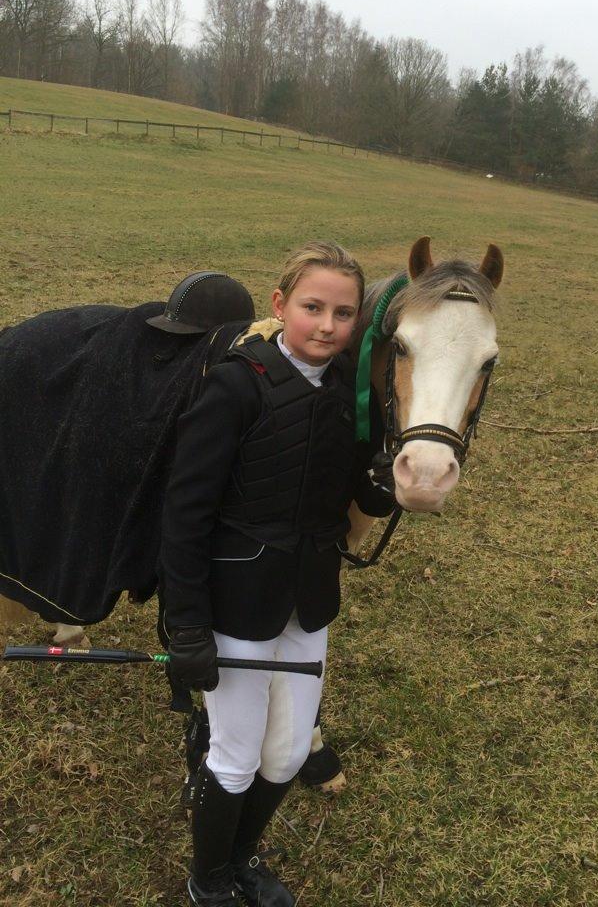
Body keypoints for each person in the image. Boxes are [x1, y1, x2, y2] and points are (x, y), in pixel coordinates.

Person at [160, 242, 395, 907]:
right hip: (234, 603)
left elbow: (363, 499)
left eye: (343, 313)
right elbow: (184, 517)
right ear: (279, 305)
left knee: (288, 754)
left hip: (309, 599)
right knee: (234, 757)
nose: (327, 325)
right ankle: (209, 882)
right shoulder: (235, 385)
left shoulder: (354, 399)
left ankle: (240, 860)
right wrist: (186, 625)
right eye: (312, 307)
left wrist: (386, 478)